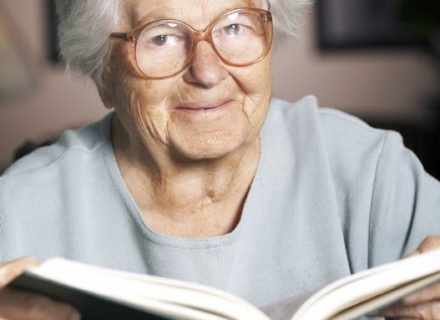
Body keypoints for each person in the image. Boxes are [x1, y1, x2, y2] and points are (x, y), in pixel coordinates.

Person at [0, 0, 439, 319]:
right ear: (104, 75)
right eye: (163, 37)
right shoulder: (19, 210)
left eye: (234, 27)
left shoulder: (372, 171)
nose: (208, 71)